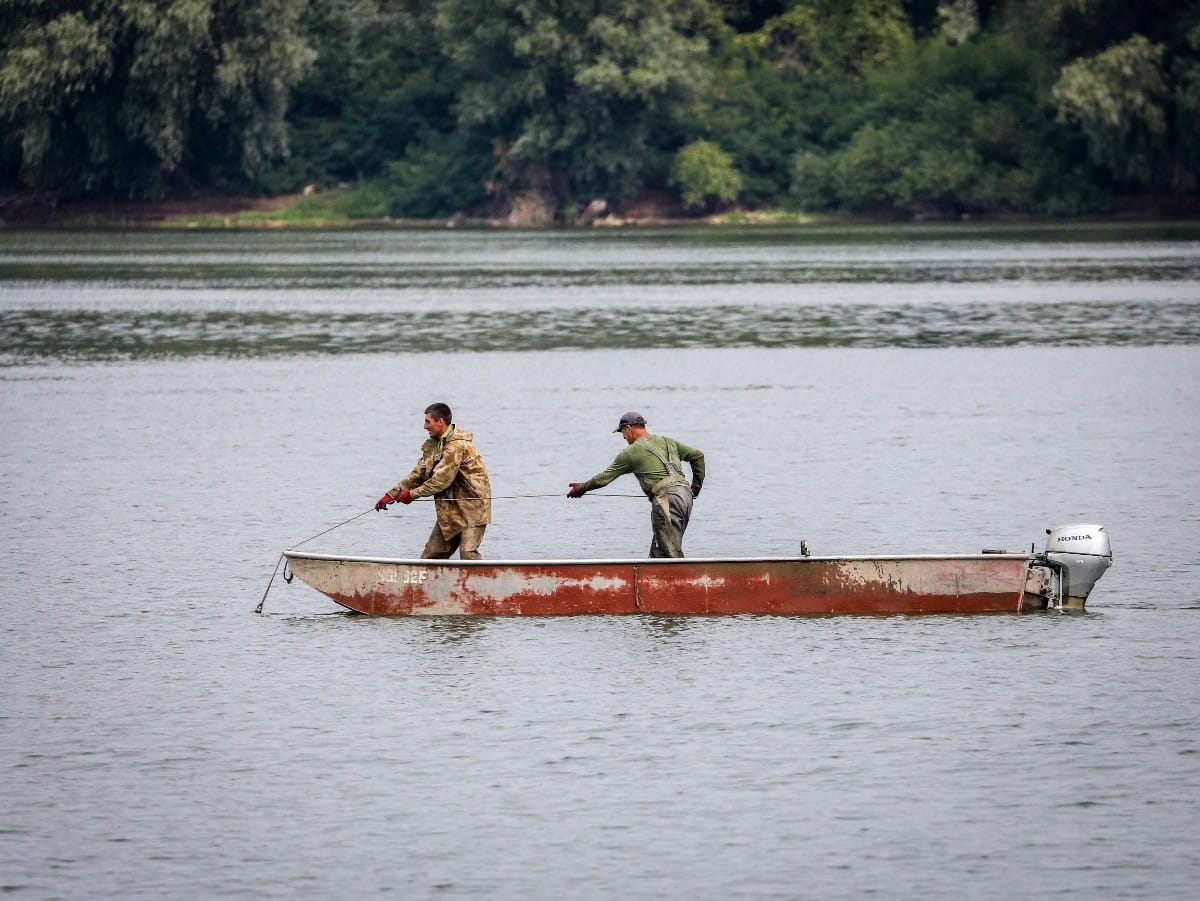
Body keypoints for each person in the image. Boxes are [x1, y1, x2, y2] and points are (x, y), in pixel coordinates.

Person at [567, 412, 705, 558]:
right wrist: (696, 486)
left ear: (628, 428)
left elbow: (603, 478)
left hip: (667, 500)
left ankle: (680, 578)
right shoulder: (667, 441)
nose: (623, 437)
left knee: (670, 551)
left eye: (622, 432)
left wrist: (581, 488)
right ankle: (651, 578)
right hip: (686, 495)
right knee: (661, 548)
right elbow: (698, 456)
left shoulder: (630, 452)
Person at [375, 403, 492, 559]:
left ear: (441, 422)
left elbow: (440, 481)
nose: (424, 427)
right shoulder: (435, 446)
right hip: (450, 510)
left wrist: (412, 495)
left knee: (468, 554)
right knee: (431, 557)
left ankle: (483, 582)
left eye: (427, 422)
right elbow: (417, 475)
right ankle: (426, 583)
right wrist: (391, 495)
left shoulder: (456, 446)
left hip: (472, 509)